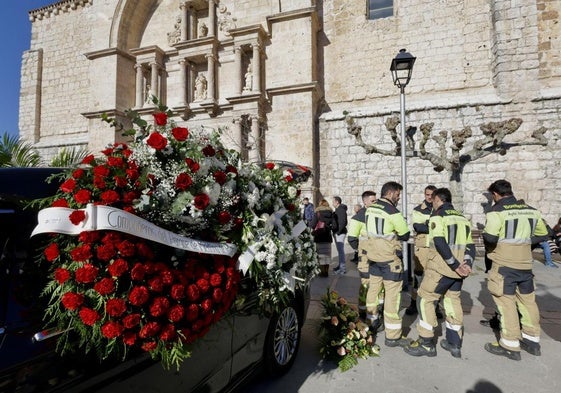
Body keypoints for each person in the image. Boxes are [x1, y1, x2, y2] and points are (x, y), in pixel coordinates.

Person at [404, 188, 475, 358]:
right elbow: (470, 246)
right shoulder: (462, 218)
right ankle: (454, 343)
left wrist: (454, 264)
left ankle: (426, 343)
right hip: (458, 273)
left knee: (424, 299)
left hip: (441, 268)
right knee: (452, 302)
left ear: (437, 200)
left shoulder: (438, 216)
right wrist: (467, 264)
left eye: (433, 200)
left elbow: (439, 241)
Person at [482, 179, 549, 361]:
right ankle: (532, 340)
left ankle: (510, 344)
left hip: (504, 264)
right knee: (528, 302)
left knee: (506, 303)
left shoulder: (496, 212)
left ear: (495, 194)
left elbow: (489, 237)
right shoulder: (532, 211)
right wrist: (526, 244)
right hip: (525, 264)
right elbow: (544, 234)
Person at [361, 182, 410, 347]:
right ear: (390, 193)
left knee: (373, 291)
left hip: (373, 258)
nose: (398, 198)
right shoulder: (393, 212)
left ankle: (372, 322)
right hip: (390, 260)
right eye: (398, 195)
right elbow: (404, 235)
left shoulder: (370, 209)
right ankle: (393, 335)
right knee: (392, 296)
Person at [405, 185, 437, 315]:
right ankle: (413, 303)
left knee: (435, 277)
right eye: (427, 195)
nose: (429, 197)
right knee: (418, 277)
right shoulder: (418, 210)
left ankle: (436, 306)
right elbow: (418, 227)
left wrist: (427, 224)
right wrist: (434, 225)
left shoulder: (440, 209)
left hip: (436, 248)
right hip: (422, 249)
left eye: (432, 195)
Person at [347, 191, 377, 317]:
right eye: (373, 201)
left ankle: (376, 309)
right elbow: (352, 238)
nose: (376, 202)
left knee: (377, 284)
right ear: (365, 202)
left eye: (376, 200)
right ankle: (363, 309)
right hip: (365, 257)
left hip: (378, 256)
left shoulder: (377, 214)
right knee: (365, 284)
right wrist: (360, 250)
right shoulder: (358, 218)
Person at [310, 199, 336, 277]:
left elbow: (312, 225)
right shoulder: (331, 213)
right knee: (327, 256)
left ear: (320, 204)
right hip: (327, 237)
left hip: (319, 236)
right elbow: (334, 226)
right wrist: (328, 227)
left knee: (320, 255)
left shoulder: (317, 213)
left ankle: (322, 272)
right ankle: (326, 272)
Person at [332, 196, 348, 274]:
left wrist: (338, 231)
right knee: (339, 251)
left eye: (333, 201)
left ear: (337, 202)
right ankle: (340, 266)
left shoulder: (341, 210)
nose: (332, 203)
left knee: (341, 251)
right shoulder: (338, 209)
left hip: (340, 233)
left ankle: (342, 269)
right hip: (338, 232)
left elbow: (343, 222)